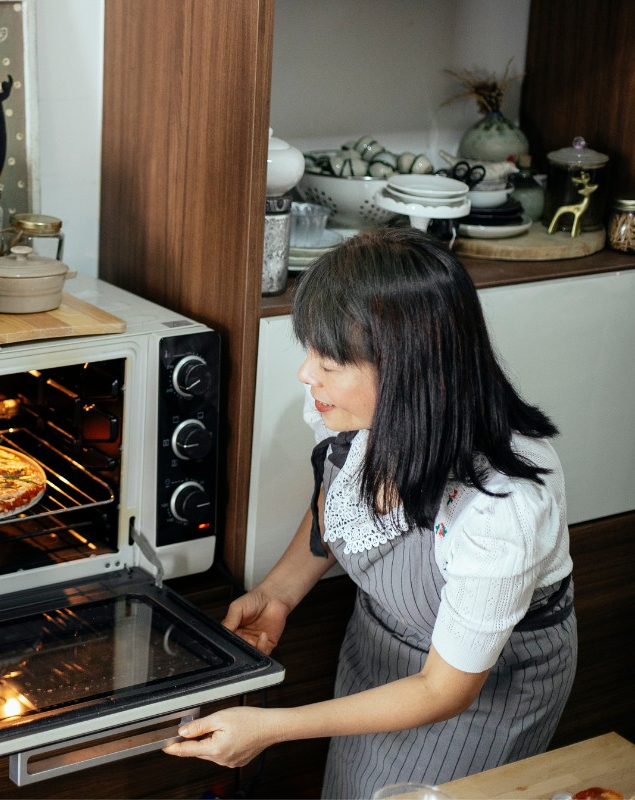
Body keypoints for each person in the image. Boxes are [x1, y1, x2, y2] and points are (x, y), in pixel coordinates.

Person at [164, 227, 577, 797]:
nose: (307, 375)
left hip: (482, 691)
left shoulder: (499, 507)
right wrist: (280, 592)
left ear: (408, 368)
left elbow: (442, 691)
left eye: (329, 360)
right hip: (377, 651)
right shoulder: (350, 411)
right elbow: (338, 501)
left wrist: (274, 727)